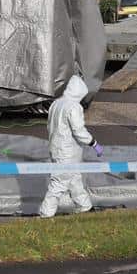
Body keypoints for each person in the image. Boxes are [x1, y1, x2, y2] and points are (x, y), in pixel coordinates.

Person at [38, 75, 104, 218]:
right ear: (79, 92)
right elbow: (79, 131)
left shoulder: (56, 103)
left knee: (74, 179)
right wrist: (94, 143)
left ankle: (84, 206)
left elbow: (50, 126)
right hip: (67, 152)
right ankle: (46, 213)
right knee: (60, 181)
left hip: (56, 147)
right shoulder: (74, 107)